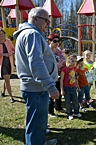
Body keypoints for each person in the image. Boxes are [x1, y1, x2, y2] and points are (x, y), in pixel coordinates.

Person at [14, 7, 59, 145]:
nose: (48, 24)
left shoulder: (30, 34)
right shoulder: (32, 34)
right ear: (35, 18)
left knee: (38, 121)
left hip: (37, 87)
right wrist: (50, 86)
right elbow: (36, 62)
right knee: (35, 123)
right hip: (36, 88)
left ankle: (40, 141)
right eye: (46, 20)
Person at [47, 33, 65, 117]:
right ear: (49, 41)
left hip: (58, 73)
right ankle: (50, 111)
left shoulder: (59, 50)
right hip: (50, 74)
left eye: (58, 41)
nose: (57, 43)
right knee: (51, 92)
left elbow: (63, 59)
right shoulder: (47, 50)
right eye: (54, 41)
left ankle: (59, 107)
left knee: (58, 90)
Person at [60, 54, 82, 120]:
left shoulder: (74, 68)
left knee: (75, 100)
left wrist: (78, 86)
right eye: (72, 61)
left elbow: (75, 78)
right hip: (66, 88)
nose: (73, 63)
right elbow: (61, 80)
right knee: (67, 102)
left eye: (75, 61)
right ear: (68, 61)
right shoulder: (64, 69)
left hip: (73, 87)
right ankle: (69, 113)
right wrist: (62, 90)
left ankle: (76, 112)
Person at [0, 28, 15, 103]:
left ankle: (3, 92)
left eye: (2, 34)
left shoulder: (8, 41)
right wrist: (3, 54)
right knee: (7, 80)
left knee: (7, 79)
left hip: (9, 62)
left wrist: (14, 52)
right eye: (0, 34)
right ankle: (11, 97)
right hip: (2, 64)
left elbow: (13, 49)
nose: (1, 35)